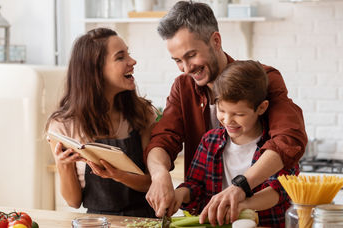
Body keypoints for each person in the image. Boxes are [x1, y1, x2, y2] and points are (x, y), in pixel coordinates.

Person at [144, 0, 307, 224]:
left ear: (216, 41)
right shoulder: (183, 87)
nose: (186, 68)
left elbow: (289, 139)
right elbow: (162, 140)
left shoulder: (263, 79)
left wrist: (240, 188)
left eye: (191, 55)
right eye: (178, 60)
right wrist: (160, 174)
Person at [174, 60, 299, 227]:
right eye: (222, 110)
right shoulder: (209, 141)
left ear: (261, 108)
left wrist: (242, 205)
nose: (227, 120)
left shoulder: (275, 147)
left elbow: (279, 191)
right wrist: (179, 194)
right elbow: (195, 185)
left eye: (239, 114)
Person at [45, 28, 156, 217]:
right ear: (95, 70)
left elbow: (152, 183)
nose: (132, 62)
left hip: (143, 220)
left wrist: (118, 175)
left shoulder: (141, 114)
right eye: (120, 57)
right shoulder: (62, 126)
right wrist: (62, 165)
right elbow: (73, 201)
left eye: (128, 54)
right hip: (97, 222)